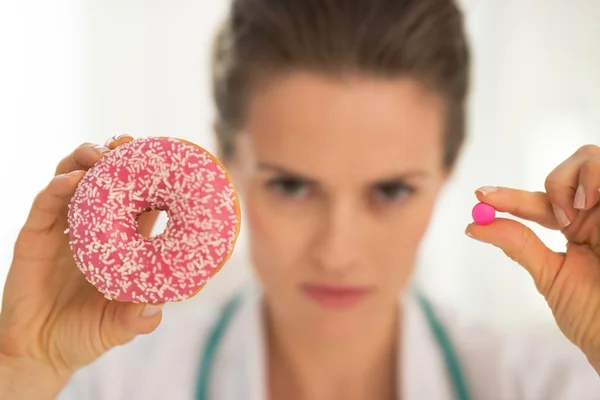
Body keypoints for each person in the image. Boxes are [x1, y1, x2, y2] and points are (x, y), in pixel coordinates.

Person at [1, 0, 600, 398]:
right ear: (224, 161)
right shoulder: (100, 384)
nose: (336, 251)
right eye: (291, 185)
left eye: (391, 190)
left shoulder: (549, 384)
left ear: (448, 168)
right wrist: (22, 372)